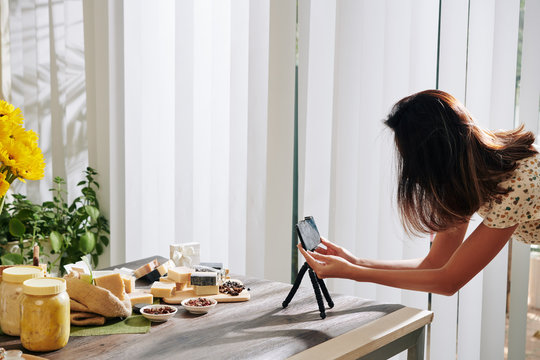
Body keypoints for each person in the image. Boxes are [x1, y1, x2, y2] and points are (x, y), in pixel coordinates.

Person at [298, 89, 540, 296]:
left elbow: (449, 281)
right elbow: (436, 262)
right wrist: (355, 262)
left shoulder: (515, 186)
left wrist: (354, 274)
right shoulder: (470, 170)